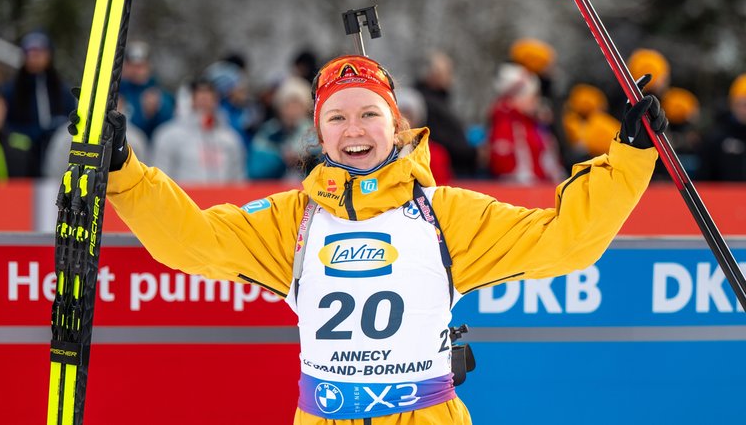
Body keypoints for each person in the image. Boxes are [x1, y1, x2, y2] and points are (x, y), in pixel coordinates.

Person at [101, 54, 665, 424]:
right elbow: (190, 240)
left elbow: (565, 241)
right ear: (318, 133)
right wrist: (124, 172)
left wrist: (632, 155)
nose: (353, 131)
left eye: (369, 114)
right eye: (337, 119)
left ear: (395, 126)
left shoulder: (445, 216)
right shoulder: (291, 221)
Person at [3, 31, 75, 174]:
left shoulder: (62, 90)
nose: (34, 58)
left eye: (40, 53)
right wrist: (33, 134)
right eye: (30, 53)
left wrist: (56, 129)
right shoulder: (11, 91)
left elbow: (71, 122)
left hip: (55, 155)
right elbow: (6, 127)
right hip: (23, 158)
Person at [150, 77, 245, 183]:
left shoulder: (229, 137)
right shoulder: (168, 136)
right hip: (183, 198)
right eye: (199, 97)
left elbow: (237, 179)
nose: (205, 102)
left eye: (209, 97)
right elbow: (160, 178)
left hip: (222, 198)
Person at [487, 63, 565, 183]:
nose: (537, 101)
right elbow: (506, 169)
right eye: (533, 96)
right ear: (517, 98)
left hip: (541, 190)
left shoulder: (533, 124)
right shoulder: (507, 124)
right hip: (523, 194)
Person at [414, 51, 477, 177]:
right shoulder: (426, 103)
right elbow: (438, 137)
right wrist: (472, 153)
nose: (450, 77)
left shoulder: (440, 100)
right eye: (447, 71)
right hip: (448, 170)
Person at [247, 76, 318, 180]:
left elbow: (325, 163)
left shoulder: (315, 132)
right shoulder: (268, 132)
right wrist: (280, 158)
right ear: (280, 107)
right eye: (288, 104)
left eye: (298, 105)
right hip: (274, 190)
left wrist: (306, 159)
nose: (293, 110)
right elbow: (256, 169)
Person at [118, 40, 175, 139]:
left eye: (140, 66)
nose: (136, 71)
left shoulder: (159, 94)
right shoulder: (115, 92)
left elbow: (170, 125)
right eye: (132, 65)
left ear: (148, 66)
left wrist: (156, 111)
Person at [699, 74, 746, 181]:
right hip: (724, 196)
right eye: (743, 104)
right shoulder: (716, 138)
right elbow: (704, 178)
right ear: (732, 104)